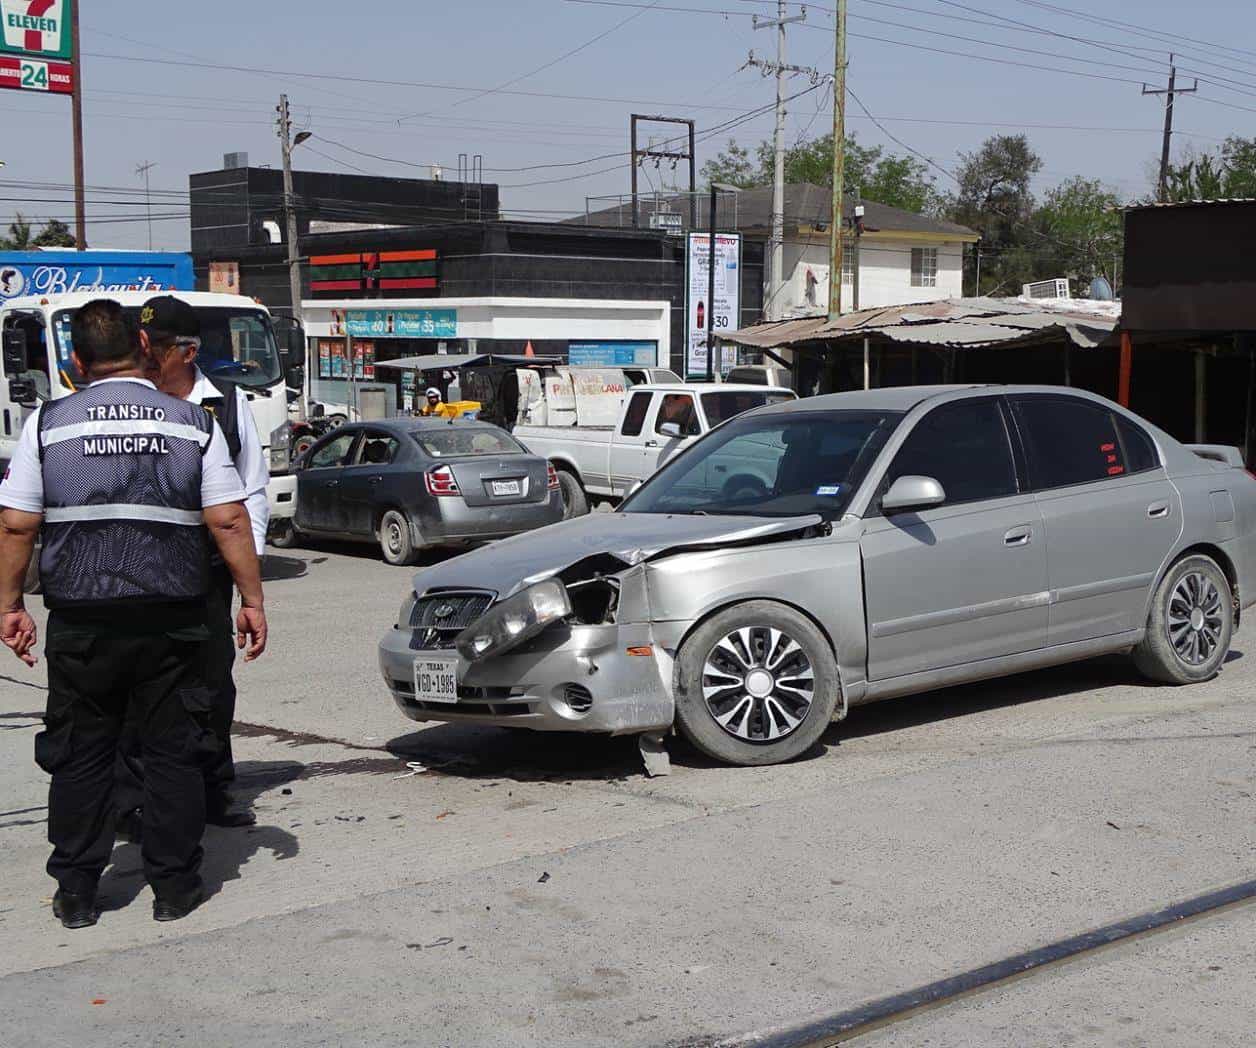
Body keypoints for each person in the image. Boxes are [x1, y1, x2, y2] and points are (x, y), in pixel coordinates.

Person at [0, 298, 267, 929]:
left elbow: (16, 523)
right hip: (172, 618)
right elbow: (229, 517)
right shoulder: (190, 423)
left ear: (74, 359)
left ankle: (77, 891)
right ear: (141, 349)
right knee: (172, 749)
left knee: (82, 751)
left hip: (82, 622)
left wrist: (9, 603)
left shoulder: (48, 424)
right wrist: (252, 599)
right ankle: (173, 888)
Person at [111, 296, 269, 832]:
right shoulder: (126, 399)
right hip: (135, 569)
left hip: (204, 572)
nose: (147, 355)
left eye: (157, 347)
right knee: (133, 684)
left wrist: (248, 570)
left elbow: (251, 491)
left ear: (189, 351)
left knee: (209, 684)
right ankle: (133, 798)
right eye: (142, 344)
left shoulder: (225, 404)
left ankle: (214, 788)